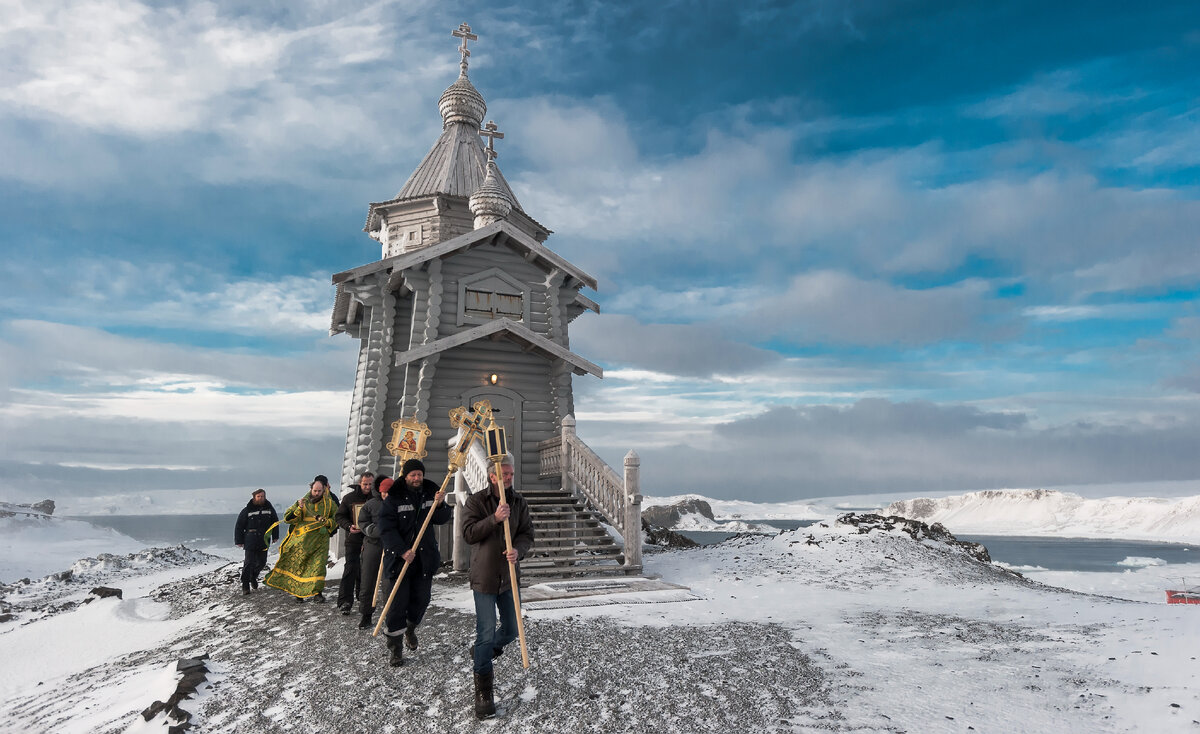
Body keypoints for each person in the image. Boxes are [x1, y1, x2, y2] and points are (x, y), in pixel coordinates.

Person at [462, 456, 533, 719]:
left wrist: (519, 550)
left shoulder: (519, 502)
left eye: (511, 474)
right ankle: (484, 693)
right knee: (486, 630)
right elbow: (468, 533)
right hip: (485, 577)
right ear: (492, 477)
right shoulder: (476, 501)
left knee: (513, 628)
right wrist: (494, 518)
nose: (509, 478)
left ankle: (486, 650)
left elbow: (527, 533)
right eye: (504, 475)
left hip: (509, 577)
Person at [377, 458, 451, 666]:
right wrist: (402, 551)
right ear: (405, 476)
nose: (417, 478)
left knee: (421, 600)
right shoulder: (394, 498)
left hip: (424, 560)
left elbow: (442, 518)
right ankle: (396, 650)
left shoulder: (430, 493)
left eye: (419, 474)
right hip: (400, 562)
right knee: (396, 607)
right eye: (413, 475)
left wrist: (441, 504)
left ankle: (410, 628)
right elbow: (386, 529)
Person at [264, 475, 338, 602]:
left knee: (319, 567)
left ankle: (318, 593)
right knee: (302, 566)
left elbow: (337, 518)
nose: (317, 493)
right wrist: (299, 509)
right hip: (303, 541)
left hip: (320, 541)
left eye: (319, 491)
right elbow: (288, 518)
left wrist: (328, 524)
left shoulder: (330, 503)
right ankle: (299, 594)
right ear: (311, 489)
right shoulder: (302, 502)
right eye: (315, 490)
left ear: (324, 490)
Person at [357, 475, 394, 630]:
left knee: (389, 584)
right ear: (380, 491)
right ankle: (366, 615)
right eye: (384, 492)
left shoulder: (397, 504)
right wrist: (378, 531)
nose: (386, 495)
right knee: (367, 582)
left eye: (389, 492)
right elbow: (363, 523)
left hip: (391, 548)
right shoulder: (371, 504)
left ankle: (390, 615)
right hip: (373, 546)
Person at [334, 472, 373, 614]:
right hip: (353, 539)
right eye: (365, 484)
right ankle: (345, 601)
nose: (368, 487)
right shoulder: (349, 498)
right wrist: (349, 526)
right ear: (359, 483)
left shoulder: (376, 498)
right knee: (351, 568)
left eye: (370, 484)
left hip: (371, 539)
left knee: (366, 570)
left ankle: (363, 597)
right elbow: (339, 516)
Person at [234, 488, 278, 594]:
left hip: (264, 539)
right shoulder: (247, 510)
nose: (260, 498)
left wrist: (275, 536)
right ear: (254, 497)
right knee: (249, 563)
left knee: (262, 562)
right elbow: (239, 526)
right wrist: (239, 541)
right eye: (258, 496)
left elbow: (275, 522)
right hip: (250, 539)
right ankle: (245, 585)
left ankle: (253, 576)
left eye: (262, 496)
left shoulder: (269, 509)